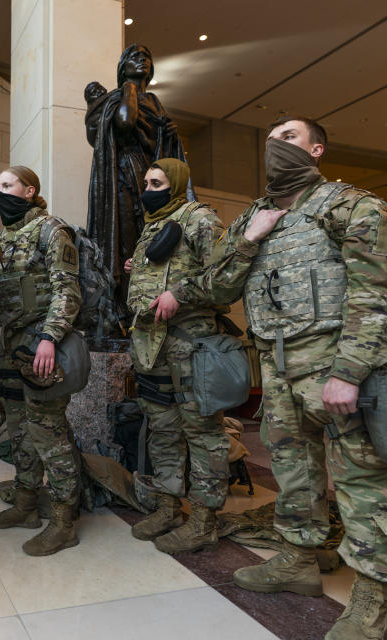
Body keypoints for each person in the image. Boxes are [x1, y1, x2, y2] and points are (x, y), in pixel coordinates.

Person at [162, 116, 387, 640]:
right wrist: (249, 240)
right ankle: (297, 562)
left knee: (365, 479)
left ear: (317, 149)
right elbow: (213, 286)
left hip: (339, 365)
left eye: (291, 136)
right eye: (272, 137)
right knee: (293, 468)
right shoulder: (253, 216)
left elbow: (380, 294)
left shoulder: (351, 205)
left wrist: (350, 371)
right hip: (277, 365)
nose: (278, 144)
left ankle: (371, 601)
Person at [0, 166, 83, 556]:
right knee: (18, 428)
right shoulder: (4, 238)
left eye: (7, 185)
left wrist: (50, 338)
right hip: (10, 345)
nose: (0, 192)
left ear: (28, 190)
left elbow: (67, 289)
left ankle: (63, 519)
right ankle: (24, 505)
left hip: (40, 343)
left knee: (47, 431)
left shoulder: (52, 230)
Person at [123, 158, 230, 554]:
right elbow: (164, 268)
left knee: (202, 433)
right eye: (146, 182)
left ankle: (204, 520)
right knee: (162, 427)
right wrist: (138, 270)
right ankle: (169, 507)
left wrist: (179, 294)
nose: (148, 189)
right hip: (152, 346)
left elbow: (224, 276)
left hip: (191, 346)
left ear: (178, 183)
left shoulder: (201, 219)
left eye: (156, 182)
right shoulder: (153, 225)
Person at [84, 44, 188, 305]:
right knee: (125, 241)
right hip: (123, 176)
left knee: (152, 237)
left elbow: (160, 143)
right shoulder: (115, 99)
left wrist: (169, 135)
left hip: (151, 174)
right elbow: (126, 121)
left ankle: (147, 297)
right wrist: (129, 87)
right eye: (134, 57)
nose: (142, 60)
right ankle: (121, 305)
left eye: (146, 57)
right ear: (123, 67)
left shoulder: (154, 101)